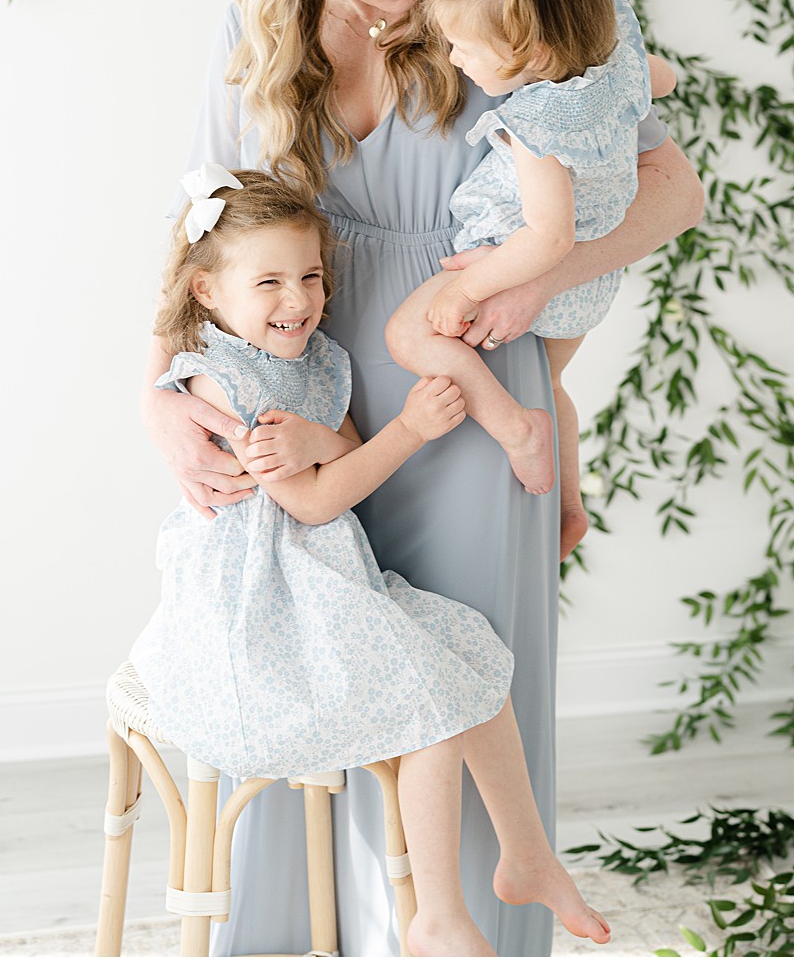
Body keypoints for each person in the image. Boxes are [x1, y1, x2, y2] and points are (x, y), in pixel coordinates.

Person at [145, 0, 703, 955]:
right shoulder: (251, 39)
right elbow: (199, 228)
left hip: (464, 386)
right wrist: (159, 390)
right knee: (309, 676)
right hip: (301, 396)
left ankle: (459, 929)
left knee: (464, 674)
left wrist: (532, 275)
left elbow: (671, 189)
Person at [131, 170, 608, 957]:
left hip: (322, 582)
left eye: (312, 276)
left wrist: (326, 442)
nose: (299, 299)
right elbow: (315, 503)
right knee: (431, 699)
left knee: (471, 655)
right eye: (271, 282)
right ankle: (439, 913)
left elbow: (339, 452)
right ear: (209, 292)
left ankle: (527, 855)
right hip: (263, 616)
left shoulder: (317, 359)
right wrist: (413, 429)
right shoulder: (224, 378)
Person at [386, 0, 674, 552]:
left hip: (519, 257)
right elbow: (665, 78)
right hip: (595, 280)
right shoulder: (614, 59)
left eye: (464, 47)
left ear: (533, 55)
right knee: (555, 381)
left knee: (408, 334)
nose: (455, 59)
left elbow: (548, 237)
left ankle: (516, 428)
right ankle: (569, 507)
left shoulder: (534, 126)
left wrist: (468, 292)